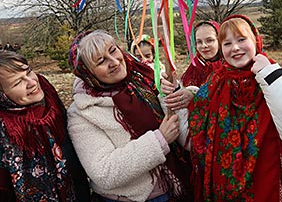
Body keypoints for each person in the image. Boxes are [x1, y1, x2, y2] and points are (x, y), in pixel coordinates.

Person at [187, 14, 282, 201]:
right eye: (227, 43)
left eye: (241, 39)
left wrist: (269, 75)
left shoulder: (280, 79)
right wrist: (182, 95)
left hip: (272, 191)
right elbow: (195, 135)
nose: (236, 48)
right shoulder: (214, 84)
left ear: (256, 41)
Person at [67, 30, 192, 202]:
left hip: (177, 186)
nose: (114, 61)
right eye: (101, 61)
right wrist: (159, 140)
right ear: (88, 73)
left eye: (112, 50)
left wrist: (179, 96)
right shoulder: (82, 112)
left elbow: (183, 128)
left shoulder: (145, 79)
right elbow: (104, 171)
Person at [0, 51, 90, 202]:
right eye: (17, 82)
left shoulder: (48, 97)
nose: (32, 83)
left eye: (29, 72)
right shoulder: (4, 129)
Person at [165, 21, 223, 111]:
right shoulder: (195, 66)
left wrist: (195, 95)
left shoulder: (229, 66)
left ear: (219, 40)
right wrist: (174, 87)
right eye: (199, 42)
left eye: (209, 40)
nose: (204, 46)